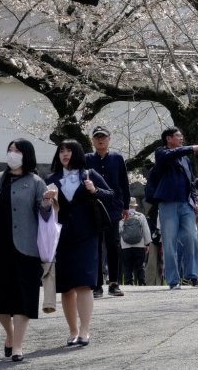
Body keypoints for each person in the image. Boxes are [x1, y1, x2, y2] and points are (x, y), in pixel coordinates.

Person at [0, 139, 50, 362]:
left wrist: (47, 203)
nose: (12, 154)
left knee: (23, 299)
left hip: (26, 249)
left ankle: (17, 346)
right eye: (10, 150)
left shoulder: (37, 182)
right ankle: (10, 335)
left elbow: (44, 216)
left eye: (17, 150)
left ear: (27, 155)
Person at [45, 139, 113, 346]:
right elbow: (42, 211)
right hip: (61, 236)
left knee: (84, 283)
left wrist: (95, 191)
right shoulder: (51, 179)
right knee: (66, 287)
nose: (65, 154)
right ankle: (72, 330)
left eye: (69, 151)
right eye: (61, 151)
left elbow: (111, 195)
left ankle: (84, 330)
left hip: (87, 235)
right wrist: (45, 201)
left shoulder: (89, 174)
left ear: (77, 153)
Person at [154, 128, 198, 289]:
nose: (181, 138)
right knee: (169, 242)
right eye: (178, 136)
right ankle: (173, 280)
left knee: (192, 238)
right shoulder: (161, 152)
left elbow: (191, 182)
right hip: (168, 204)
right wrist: (195, 148)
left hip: (186, 204)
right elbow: (170, 155)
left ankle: (192, 276)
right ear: (168, 138)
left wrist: (194, 201)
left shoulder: (185, 159)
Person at [85, 125, 131, 298]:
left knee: (113, 244)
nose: (100, 140)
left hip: (113, 206)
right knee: (95, 245)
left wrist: (126, 206)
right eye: (97, 137)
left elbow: (124, 184)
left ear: (109, 138)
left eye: (103, 137)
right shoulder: (87, 158)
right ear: (93, 140)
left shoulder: (117, 158)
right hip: (93, 207)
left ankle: (114, 283)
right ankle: (97, 284)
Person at [119, 197, 151, 286]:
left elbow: (120, 229)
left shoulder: (123, 216)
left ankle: (128, 282)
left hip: (125, 246)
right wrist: (147, 244)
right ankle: (142, 282)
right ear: (135, 206)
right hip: (139, 245)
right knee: (140, 265)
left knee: (127, 266)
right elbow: (146, 230)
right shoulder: (141, 216)